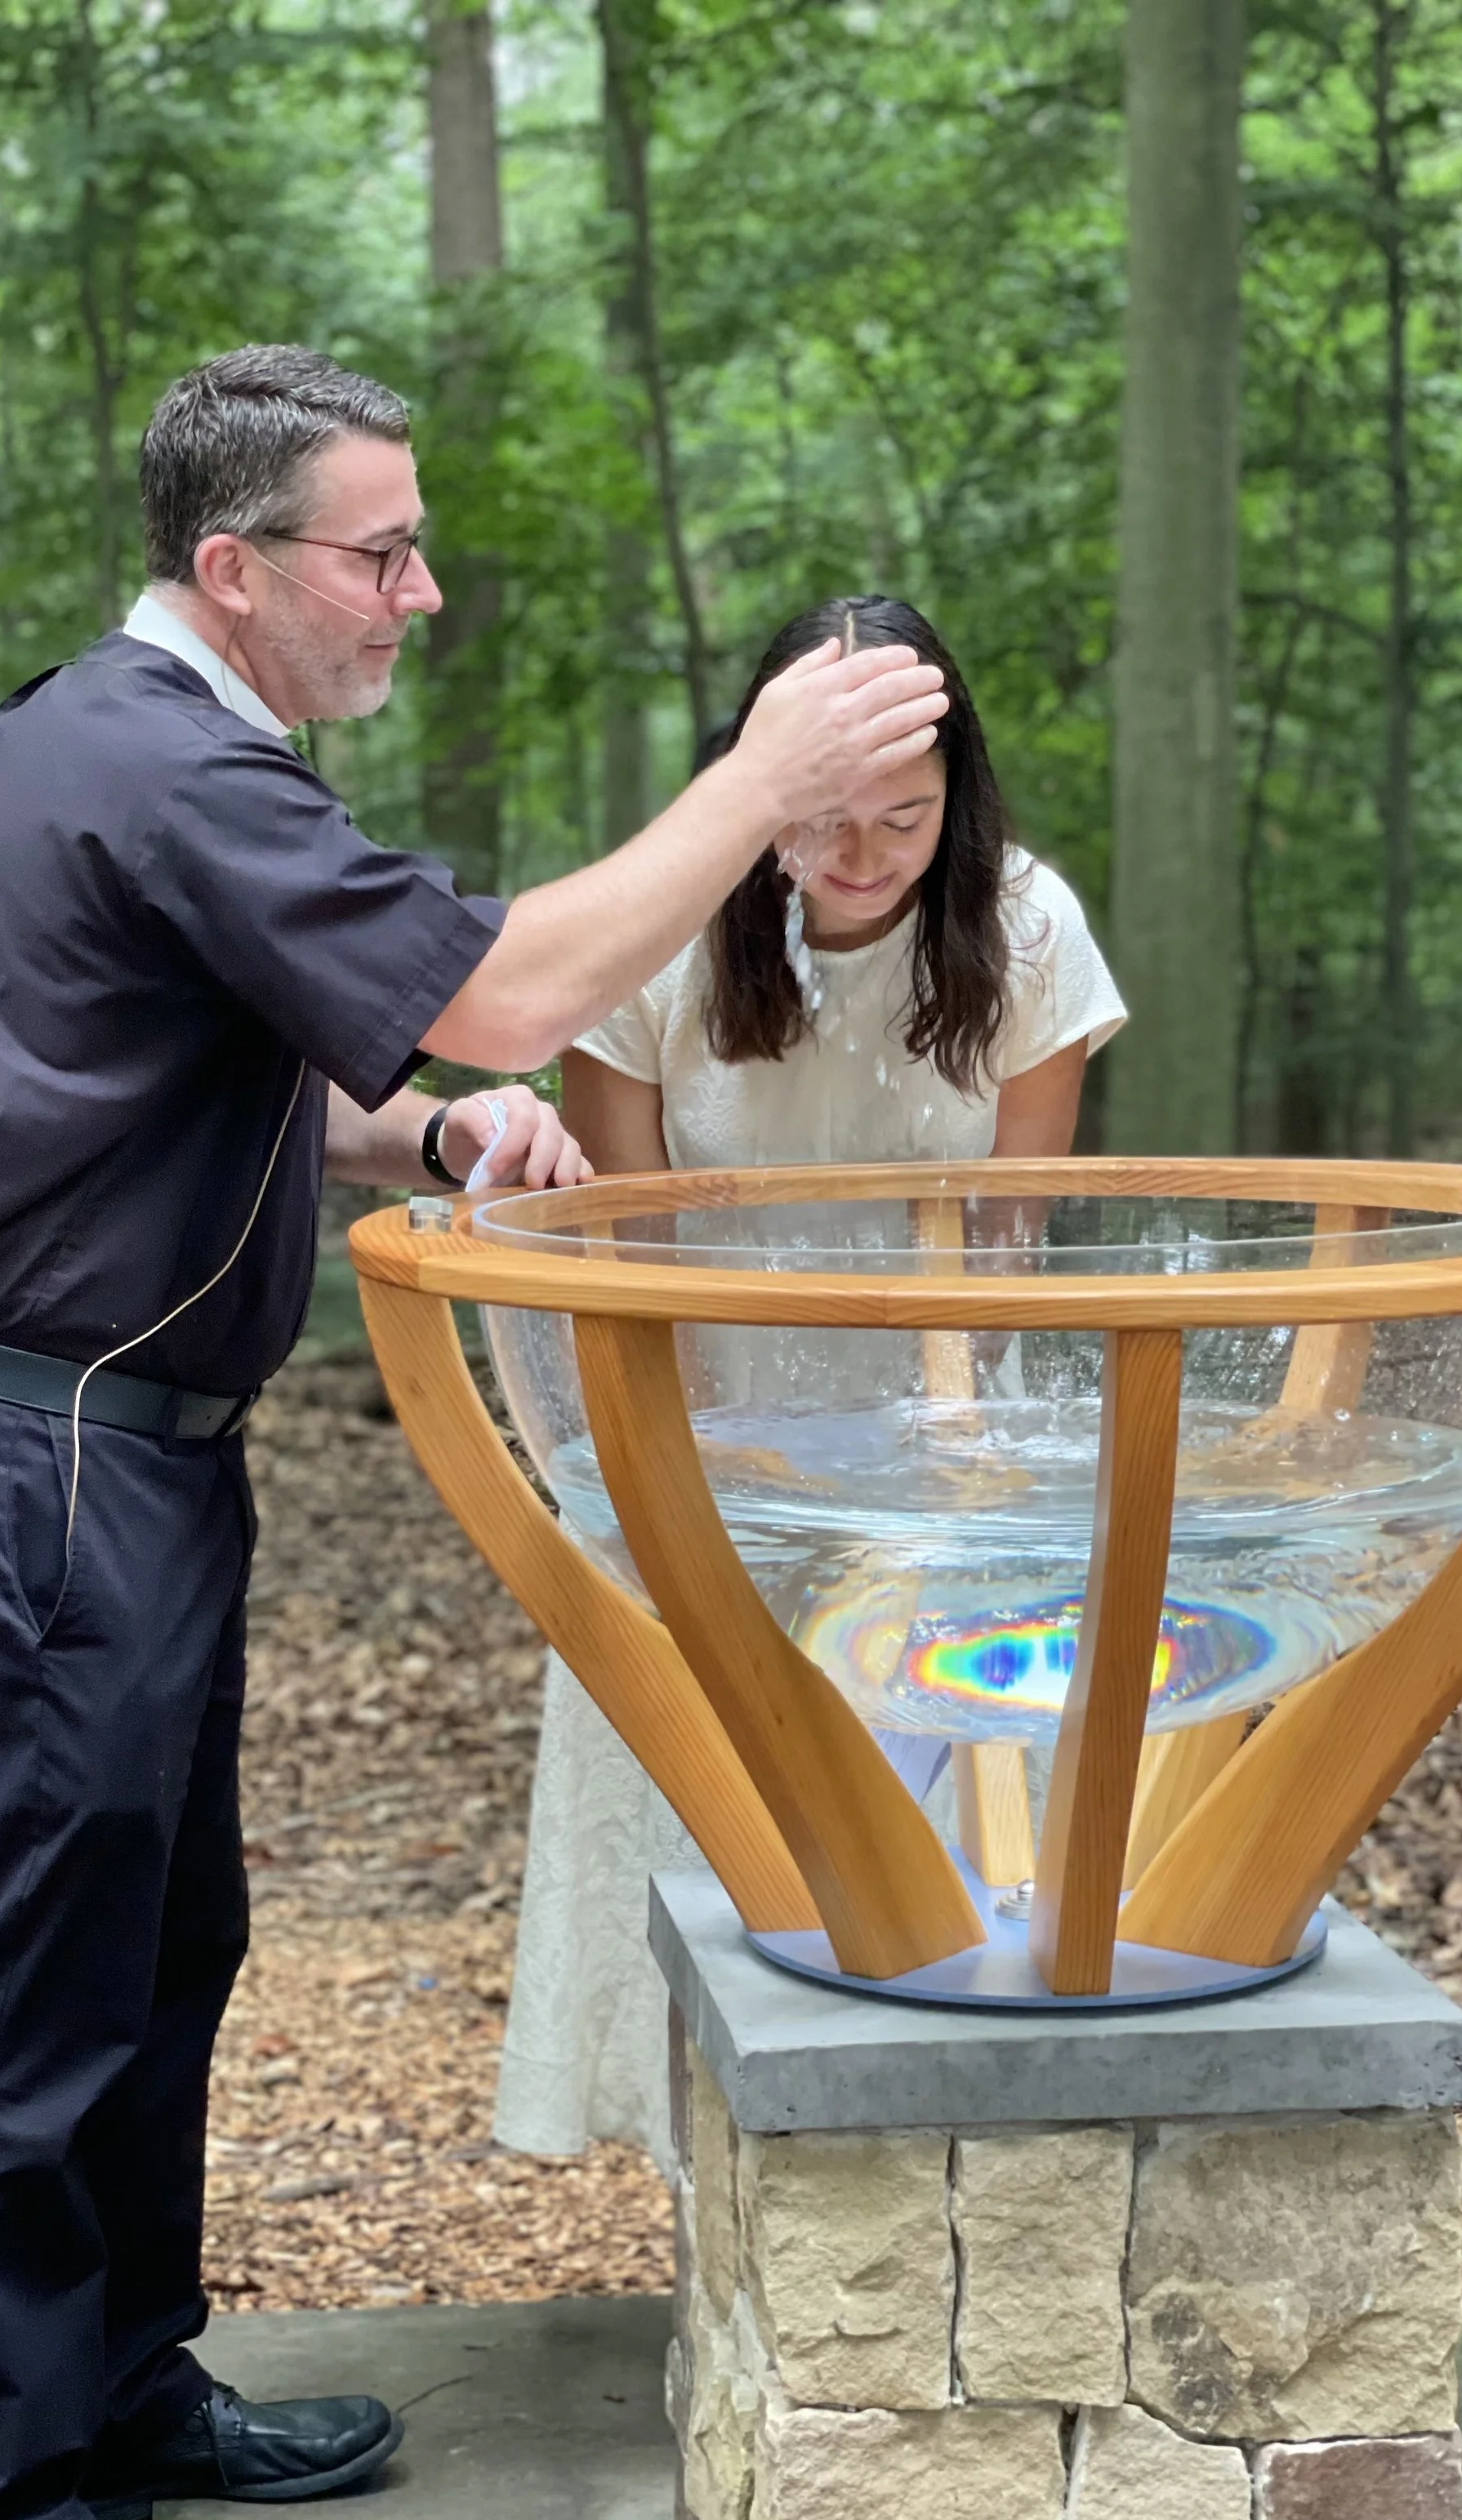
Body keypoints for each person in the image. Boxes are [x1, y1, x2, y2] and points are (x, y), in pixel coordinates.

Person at [0, 354, 949, 2520]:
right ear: (233, 568)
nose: (419, 592)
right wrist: (759, 783)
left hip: (111, 1450)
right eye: (383, 550)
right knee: (42, 1994)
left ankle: (126, 2385)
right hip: (34, 1457)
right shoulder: (160, 758)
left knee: (163, 1943)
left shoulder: (130, 751)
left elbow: (189, 1078)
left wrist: (427, 1136)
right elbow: (519, 985)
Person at [493, 595, 1125, 2174]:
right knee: (718, 1829)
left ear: (958, 795)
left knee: (942, 1864)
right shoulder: (657, 929)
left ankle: (944, 2164)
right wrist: (713, 1470)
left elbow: (1012, 1246)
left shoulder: (1029, 926)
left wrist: (944, 1470)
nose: (863, 857)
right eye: (827, 818)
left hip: (943, 1451)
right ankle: (715, 2179)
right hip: (706, 1447)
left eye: (906, 819)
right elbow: (624, 1248)